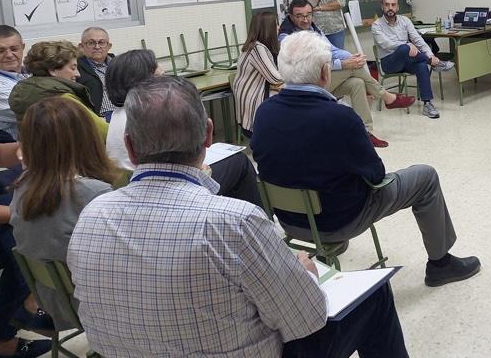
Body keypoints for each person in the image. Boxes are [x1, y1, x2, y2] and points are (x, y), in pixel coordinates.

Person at [68, 76, 409, 358]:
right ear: (208, 135)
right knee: (373, 296)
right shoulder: (236, 221)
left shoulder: (92, 215)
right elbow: (306, 320)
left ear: (129, 147)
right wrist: (301, 274)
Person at [253, 31, 480, 287]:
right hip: (340, 220)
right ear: (325, 73)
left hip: (290, 222)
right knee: (425, 176)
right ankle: (441, 264)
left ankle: (329, 247)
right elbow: (375, 174)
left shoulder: (264, 112)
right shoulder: (340, 118)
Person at [11, 96, 118, 330]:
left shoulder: (22, 186)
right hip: (91, 305)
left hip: (52, 299)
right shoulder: (91, 192)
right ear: (86, 138)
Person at [105, 49, 262, 207]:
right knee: (238, 162)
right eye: (160, 77)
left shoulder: (118, 115)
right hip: (164, 189)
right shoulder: (148, 115)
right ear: (144, 81)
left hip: (134, 186)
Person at [280, 0, 415, 147]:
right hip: (306, 86)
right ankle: (387, 98)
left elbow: (332, 50)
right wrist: (345, 64)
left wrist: (352, 57)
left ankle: (365, 132)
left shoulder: (313, 29)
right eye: (300, 16)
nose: (305, 20)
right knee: (353, 68)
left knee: (357, 83)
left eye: (308, 15)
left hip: (323, 80)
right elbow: (311, 63)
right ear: (291, 17)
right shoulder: (287, 38)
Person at [371, 0, 454, 119]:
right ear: (382, 7)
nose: (390, 8)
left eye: (393, 5)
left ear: (397, 7)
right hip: (389, 63)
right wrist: (408, 46)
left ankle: (427, 104)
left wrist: (430, 54)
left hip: (406, 61)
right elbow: (386, 44)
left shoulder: (405, 21)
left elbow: (418, 40)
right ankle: (435, 63)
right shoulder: (376, 25)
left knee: (421, 65)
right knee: (404, 48)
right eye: (387, 5)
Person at [8, 41, 107, 138]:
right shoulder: (62, 98)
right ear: (53, 70)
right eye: (73, 68)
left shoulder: (27, 91)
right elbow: (105, 133)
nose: (78, 74)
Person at [234, 11, 283, 138]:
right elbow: (276, 78)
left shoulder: (254, 46)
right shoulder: (257, 48)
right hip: (254, 113)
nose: (279, 28)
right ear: (268, 28)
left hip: (252, 108)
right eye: (276, 24)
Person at [0, 26, 27, 143]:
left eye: (14, 49)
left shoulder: (30, 71)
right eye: (0, 51)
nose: (9, 55)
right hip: (8, 151)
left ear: (23, 48)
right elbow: (41, 111)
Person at [75, 26, 116, 119]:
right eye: (91, 43)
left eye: (101, 42)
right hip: (99, 117)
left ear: (109, 46)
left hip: (125, 112)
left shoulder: (120, 64)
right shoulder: (75, 69)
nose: (97, 47)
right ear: (81, 47)